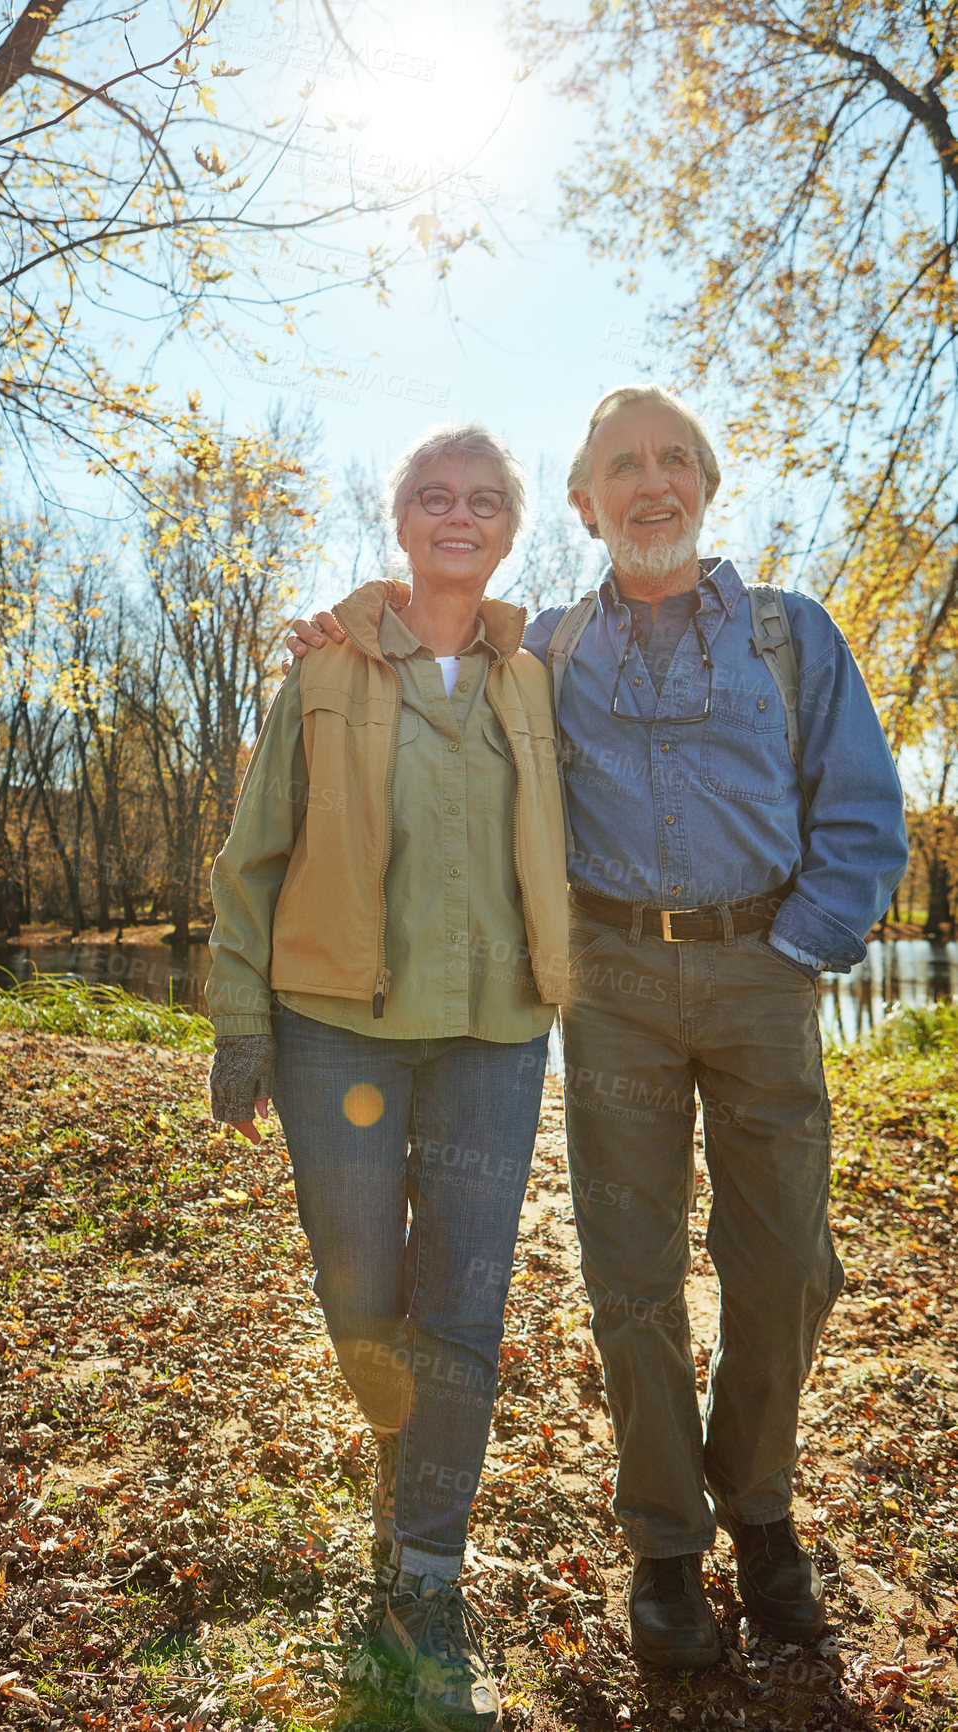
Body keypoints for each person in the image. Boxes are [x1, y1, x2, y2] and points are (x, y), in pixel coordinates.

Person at [286, 384, 909, 1669]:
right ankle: (666, 1545)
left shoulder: (790, 637)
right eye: (621, 464)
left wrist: (793, 951)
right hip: (614, 989)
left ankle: (762, 1509)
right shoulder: (549, 649)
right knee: (631, 1281)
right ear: (582, 502)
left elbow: (860, 820)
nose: (651, 482)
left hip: (762, 978)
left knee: (786, 1268)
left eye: (673, 459)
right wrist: (335, 635)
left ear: (705, 485)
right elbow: (426, 636)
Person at [206, 423, 570, 1732]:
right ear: (399, 516)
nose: (456, 515)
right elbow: (251, 862)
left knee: (461, 1304)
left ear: (508, 526)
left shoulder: (540, 678)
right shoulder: (322, 669)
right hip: (334, 1034)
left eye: (482, 498)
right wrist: (237, 1021)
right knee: (362, 1298)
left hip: (493, 1034)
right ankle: (395, 1449)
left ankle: (426, 1563)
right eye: (432, 495)